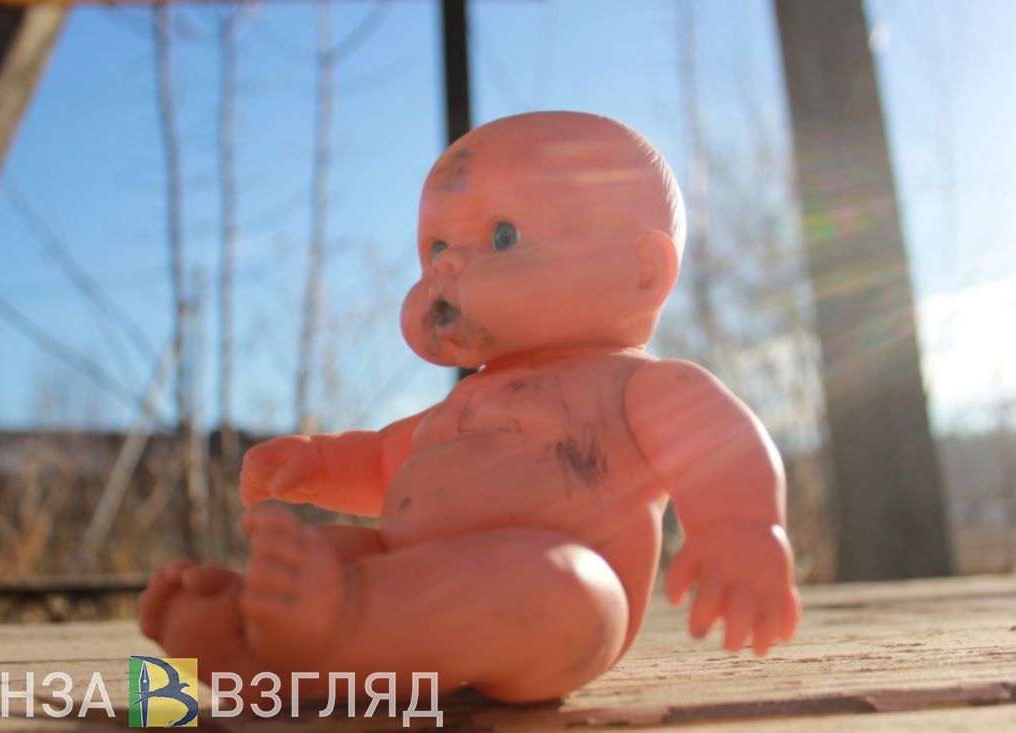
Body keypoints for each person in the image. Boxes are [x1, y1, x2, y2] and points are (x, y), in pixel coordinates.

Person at [139, 111, 801, 704]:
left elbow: (722, 443)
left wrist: (741, 526)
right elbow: (387, 462)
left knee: (558, 589)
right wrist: (318, 464)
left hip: (555, 616)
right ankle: (255, 635)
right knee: (342, 551)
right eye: (435, 249)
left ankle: (321, 628)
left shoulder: (635, 386)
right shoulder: (473, 396)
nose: (447, 268)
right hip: (411, 582)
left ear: (643, 271)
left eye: (502, 236)